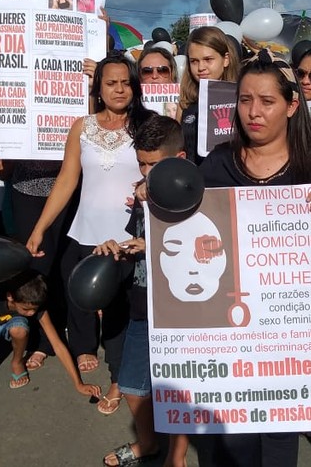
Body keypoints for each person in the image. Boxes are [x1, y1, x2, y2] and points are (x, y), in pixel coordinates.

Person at [165, 49, 311, 467]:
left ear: (292, 105)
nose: (254, 112)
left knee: (279, 444)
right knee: (225, 445)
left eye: (267, 102)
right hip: (226, 332)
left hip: (287, 336)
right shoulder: (215, 166)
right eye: (245, 100)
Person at [27, 55, 154, 417]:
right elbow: (67, 180)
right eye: (110, 82)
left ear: (135, 86)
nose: (118, 89)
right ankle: (97, 356)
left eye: (125, 82)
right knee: (88, 300)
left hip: (133, 237)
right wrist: (40, 228)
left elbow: (164, 170)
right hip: (88, 233)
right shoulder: (81, 127)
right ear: (98, 87)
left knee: (125, 313)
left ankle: (120, 379)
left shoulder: (148, 126)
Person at [94, 114, 185, 467]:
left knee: (182, 387)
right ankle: (148, 443)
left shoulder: (197, 193)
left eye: (153, 164)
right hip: (142, 300)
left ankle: (176, 458)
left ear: (178, 160)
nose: (145, 172)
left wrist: (152, 245)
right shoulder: (141, 193)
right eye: (141, 163)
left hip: (180, 304)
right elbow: (138, 239)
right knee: (132, 383)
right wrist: (119, 248)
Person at [0, 271, 101, 395]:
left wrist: (78, 384)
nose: (31, 314)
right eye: (26, 309)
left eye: (34, 309)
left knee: (19, 330)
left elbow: (58, 345)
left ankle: (17, 361)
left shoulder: (35, 307)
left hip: (14, 322)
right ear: (10, 297)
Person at [178, 26, 240, 164]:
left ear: (226, 59)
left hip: (228, 180)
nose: (201, 68)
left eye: (208, 59)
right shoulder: (186, 102)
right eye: (194, 61)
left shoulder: (241, 97)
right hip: (193, 180)